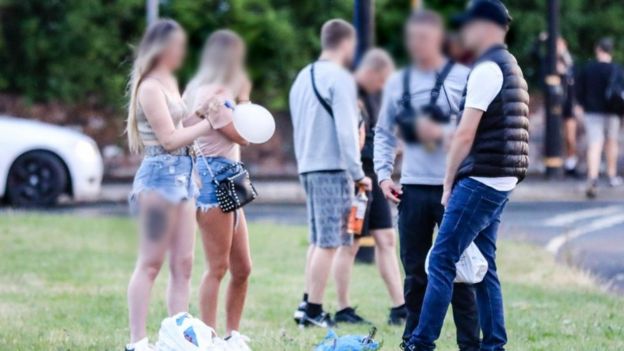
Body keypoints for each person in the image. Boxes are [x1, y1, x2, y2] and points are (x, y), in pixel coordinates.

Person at [404, 1, 529, 350]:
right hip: (502, 177)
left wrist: (447, 184)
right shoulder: (511, 65)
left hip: (481, 178)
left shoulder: (487, 68)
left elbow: (464, 133)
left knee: (442, 260)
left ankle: (420, 342)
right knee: (485, 263)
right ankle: (493, 344)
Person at [373, 11, 479, 349]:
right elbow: (383, 133)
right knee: (415, 271)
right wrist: (382, 175)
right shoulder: (398, 82)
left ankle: (469, 343)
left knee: (460, 270)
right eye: (412, 39)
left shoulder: (464, 77)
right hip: (413, 188)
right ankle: (414, 341)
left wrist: (442, 133)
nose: (417, 45)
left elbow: (477, 130)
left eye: (424, 38)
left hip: (459, 187)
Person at [124, 19, 227, 351]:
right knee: (151, 262)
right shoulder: (150, 87)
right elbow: (168, 139)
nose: (182, 52)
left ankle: (177, 337)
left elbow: (181, 126)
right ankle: (137, 342)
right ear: (162, 47)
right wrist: (208, 125)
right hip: (159, 178)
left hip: (185, 176)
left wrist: (199, 114)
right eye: (178, 46)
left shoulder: (169, 80)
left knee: (184, 263)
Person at [289, 18, 372, 327]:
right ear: (347, 44)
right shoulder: (340, 79)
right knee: (330, 242)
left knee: (318, 239)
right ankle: (313, 311)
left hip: (308, 165)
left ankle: (306, 304)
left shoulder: (302, 77)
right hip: (332, 168)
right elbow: (347, 132)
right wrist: (358, 172)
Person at [183, 30, 253, 350]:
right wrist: (246, 100)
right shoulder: (210, 93)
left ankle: (232, 334)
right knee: (218, 267)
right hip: (213, 182)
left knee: (242, 267)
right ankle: (208, 337)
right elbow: (244, 135)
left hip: (231, 176)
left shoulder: (208, 88)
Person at [331, 48, 407, 326]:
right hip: (358, 179)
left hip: (374, 177)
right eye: (382, 80)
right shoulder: (349, 93)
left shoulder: (375, 95)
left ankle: (399, 306)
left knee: (387, 239)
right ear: (373, 72)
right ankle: (343, 307)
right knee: (350, 243)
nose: (384, 86)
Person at [577, 37, 623, 198]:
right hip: (613, 112)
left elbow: (579, 91)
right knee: (612, 142)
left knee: (594, 145)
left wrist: (582, 106)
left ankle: (593, 177)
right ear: (611, 50)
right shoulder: (617, 69)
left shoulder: (588, 69)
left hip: (592, 112)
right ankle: (611, 175)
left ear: (598, 49)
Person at [558, 37, 579, 177]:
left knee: (570, 137)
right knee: (557, 136)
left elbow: (574, 79)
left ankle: (571, 163)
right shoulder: (549, 61)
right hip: (555, 104)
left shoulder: (569, 62)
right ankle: (561, 163)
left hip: (569, 104)